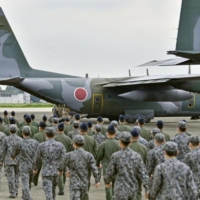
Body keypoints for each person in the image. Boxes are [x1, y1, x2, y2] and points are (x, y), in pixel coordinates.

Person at [104, 132, 149, 200]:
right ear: (130, 141)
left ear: (120, 142)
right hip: (132, 188)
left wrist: (107, 182)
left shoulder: (116, 156)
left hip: (120, 189)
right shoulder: (136, 156)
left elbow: (110, 172)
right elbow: (143, 173)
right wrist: (147, 188)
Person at [58, 135, 100, 200]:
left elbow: (62, 165)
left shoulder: (69, 155)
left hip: (74, 183)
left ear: (74, 143)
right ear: (83, 144)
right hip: (85, 182)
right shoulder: (89, 155)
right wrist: (97, 180)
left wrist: (61, 171)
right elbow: (94, 168)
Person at [33, 127, 66, 200]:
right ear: (54, 134)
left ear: (45, 134)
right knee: (53, 191)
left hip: (46, 172)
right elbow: (64, 159)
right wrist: (61, 169)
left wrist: (35, 168)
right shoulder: (60, 145)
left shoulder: (41, 145)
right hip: (56, 172)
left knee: (48, 193)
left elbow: (37, 158)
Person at [11, 126, 39, 200]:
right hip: (32, 165)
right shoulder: (35, 143)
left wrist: (13, 157)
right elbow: (38, 156)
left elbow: (14, 152)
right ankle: (25, 196)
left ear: (22, 133)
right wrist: (36, 167)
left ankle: (28, 197)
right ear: (30, 133)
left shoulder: (19, 143)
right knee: (28, 182)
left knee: (25, 182)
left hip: (23, 165)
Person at [95, 124, 121, 200]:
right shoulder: (119, 144)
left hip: (107, 168)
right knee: (115, 186)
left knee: (108, 185)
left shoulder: (103, 144)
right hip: (117, 168)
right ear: (115, 133)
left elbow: (98, 156)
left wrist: (97, 164)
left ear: (107, 134)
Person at [0, 124, 23, 198]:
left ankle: (12, 192)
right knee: (16, 176)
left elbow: (3, 151)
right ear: (16, 130)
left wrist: (1, 160)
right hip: (17, 160)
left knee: (10, 177)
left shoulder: (5, 139)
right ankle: (16, 191)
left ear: (9, 130)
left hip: (8, 160)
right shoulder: (20, 139)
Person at [129, 127, 148, 200]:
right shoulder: (144, 147)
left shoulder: (127, 146)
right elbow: (147, 160)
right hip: (140, 171)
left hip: (129, 171)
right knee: (139, 190)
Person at [54, 122, 72, 195]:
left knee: (59, 173)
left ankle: (61, 188)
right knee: (63, 172)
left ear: (57, 129)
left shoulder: (55, 138)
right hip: (66, 157)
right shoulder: (68, 138)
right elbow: (71, 149)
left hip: (57, 158)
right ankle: (63, 184)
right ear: (64, 129)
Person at [32, 121, 47, 186]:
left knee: (36, 168)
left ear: (40, 127)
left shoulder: (36, 135)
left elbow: (34, 146)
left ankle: (35, 181)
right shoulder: (47, 134)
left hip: (38, 154)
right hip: (46, 155)